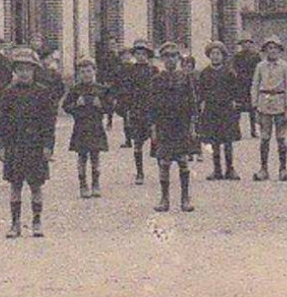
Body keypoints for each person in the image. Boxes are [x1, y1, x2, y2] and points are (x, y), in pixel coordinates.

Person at [0, 48, 56, 238]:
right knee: (15, 185)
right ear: (15, 71)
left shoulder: (43, 93)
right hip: (15, 145)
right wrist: (2, 146)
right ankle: (15, 223)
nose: (24, 73)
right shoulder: (8, 93)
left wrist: (48, 145)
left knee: (36, 185)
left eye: (28, 69)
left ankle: (37, 221)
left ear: (34, 71)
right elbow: (2, 121)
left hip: (35, 145)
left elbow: (49, 122)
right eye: (20, 69)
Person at [148, 42, 197, 212]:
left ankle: (185, 198)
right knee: (164, 162)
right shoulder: (156, 79)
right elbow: (152, 105)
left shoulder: (185, 78)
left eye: (173, 56)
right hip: (164, 125)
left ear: (178, 58)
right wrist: (153, 127)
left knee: (183, 161)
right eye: (166, 56)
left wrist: (192, 126)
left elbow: (192, 104)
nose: (170, 59)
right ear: (162, 59)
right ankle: (164, 198)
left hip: (181, 124)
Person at [62, 57, 110, 198]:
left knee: (95, 156)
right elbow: (65, 106)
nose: (86, 74)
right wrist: (76, 104)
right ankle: (83, 184)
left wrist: (100, 104)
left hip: (96, 126)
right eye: (83, 72)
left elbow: (110, 107)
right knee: (82, 157)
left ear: (94, 71)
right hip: (81, 127)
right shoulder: (75, 90)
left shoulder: (101, 89)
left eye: (89, 71)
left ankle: (95, 184)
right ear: (79, 74)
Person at [251, 36, 287, 182]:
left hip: (280, 103)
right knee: (264, 138)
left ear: (279, 50)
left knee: (281, 138)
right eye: (269, 48)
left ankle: (283, 169)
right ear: (265, 51)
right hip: (264, 104)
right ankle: (263, 169)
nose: (272, 51)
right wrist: (255, 106)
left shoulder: (284, 66)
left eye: (275, 48)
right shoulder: (260, 66)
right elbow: (255, 86)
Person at [196, 41, 242, 181]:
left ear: (223, 56)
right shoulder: (205, 73)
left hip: (226, 109)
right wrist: (202, 105)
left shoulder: (229, 72)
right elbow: (201, 91)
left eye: (218, 54)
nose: (215, 56)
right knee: (214, 142)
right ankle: (217, 169)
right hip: (211, 109)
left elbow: (235, 90)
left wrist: (234, 104)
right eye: (213, 54)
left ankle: (230, 169)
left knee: (228, 141)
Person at [119, 41, 156, 184]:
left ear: (148, 55)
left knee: (156, 140)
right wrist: (127, 109)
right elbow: (126, 92)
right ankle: (140, 173)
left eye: (143, 54)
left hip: (151, 109)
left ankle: (161, 169)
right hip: (136, 109)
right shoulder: (130, 71)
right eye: (138, 54)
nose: (141, 57)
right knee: (138, 142)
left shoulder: (153, 71)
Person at [232, 36, 260, 139]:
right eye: (243, 43)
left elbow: (258, 70)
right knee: (238, 110)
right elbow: (235, 69)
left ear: (251, 44)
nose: (245, 45)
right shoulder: (237, 56)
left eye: (247, 42)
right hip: (240, 85)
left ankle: (254, 130)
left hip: (252, 84)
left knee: (253, 109)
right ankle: (236, 132)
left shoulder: (255, 56)